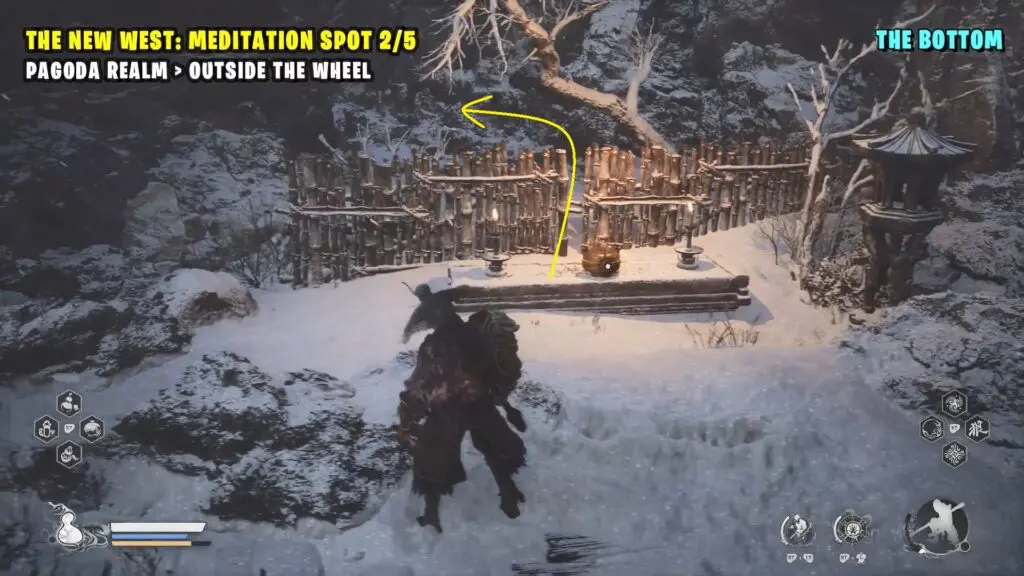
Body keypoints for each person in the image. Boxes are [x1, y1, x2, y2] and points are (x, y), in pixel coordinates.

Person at [398, 282, 527, 532]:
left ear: (436, 315)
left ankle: (431, 515)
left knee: (431, 460)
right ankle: (509, 496)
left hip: (446, 410)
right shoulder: (475, 335)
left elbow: (422, 383)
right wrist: (500, 401)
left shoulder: (433, 346)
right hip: (479, 403)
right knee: (493, 448)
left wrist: (409, 412)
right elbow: (492, 373)